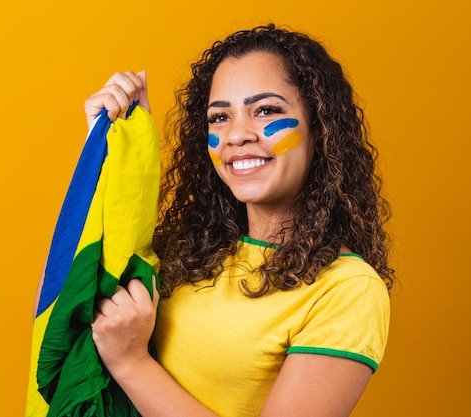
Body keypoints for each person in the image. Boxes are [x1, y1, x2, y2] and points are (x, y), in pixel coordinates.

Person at [85, 24, 395, 417]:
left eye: (266, 110)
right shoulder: (191, 254)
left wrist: (131, 363)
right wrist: (111, 154)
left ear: (319, 127)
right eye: (219, 117)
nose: (236, 135)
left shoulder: (348, 290)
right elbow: (61, 313)